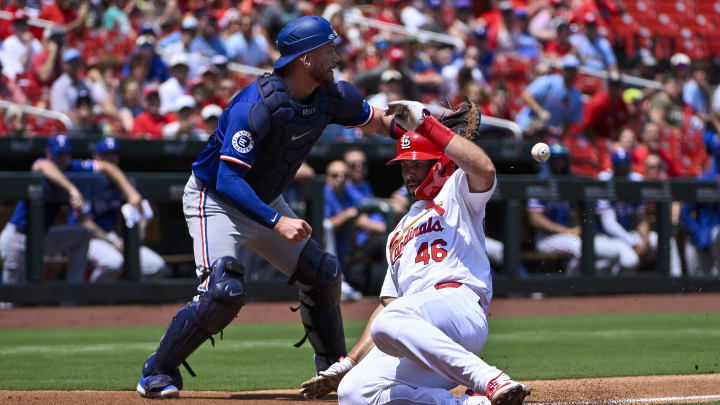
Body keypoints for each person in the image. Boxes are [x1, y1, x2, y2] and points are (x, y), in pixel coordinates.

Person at [136, 15, 393, 399]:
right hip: (216, 199)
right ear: (305, 59)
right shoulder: (255, 104)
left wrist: (431, 127)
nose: (337, 56)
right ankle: (157, 372)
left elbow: (383, 125)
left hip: (264, 198)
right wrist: (276, 222)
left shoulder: (332, 95)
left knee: (322, 274)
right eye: (329, 49)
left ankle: (332, 370)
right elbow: (227, 180)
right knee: (223, 291)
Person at [300, 101, 530, 404]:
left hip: (459, 309)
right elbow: (387, 306)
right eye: (405, 165)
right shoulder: (398, 232)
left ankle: (489, 379)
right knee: (353, 392)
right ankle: (470, 402)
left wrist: (424, 124)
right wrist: (349, 363)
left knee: (393, 320)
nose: (409, 172)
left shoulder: (457, 191)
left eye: (417, 164)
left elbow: (484, 168)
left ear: (439, 163)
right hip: (418, 333)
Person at [527, 143, 635, 275]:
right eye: (555, 160)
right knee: (581, 248)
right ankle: (570, 284)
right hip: (546, 238)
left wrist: (576, 228)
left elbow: (574, 215)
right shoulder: (540, 182)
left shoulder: (568, 183)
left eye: (562, 159)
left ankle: (574, 281)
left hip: (567, 236)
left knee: (598, 249)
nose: (559, 163)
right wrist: (567, 230)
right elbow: (536, 219)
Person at [69, 138, 167, 282]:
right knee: (113, 263)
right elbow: (85, 223)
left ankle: (132, 302)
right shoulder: (85, 181)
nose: (112, 159)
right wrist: (112, 242)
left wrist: (135, 237)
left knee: (157, 266)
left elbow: (143, 214)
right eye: (107, 154)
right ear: (96, 157)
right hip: (86, 237)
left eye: (115, 154)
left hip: (111, 237)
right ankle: (90, 300)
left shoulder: (122, 182)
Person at [0, 135, 91, 285]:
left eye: (66, 154)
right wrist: (72, 190)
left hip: (41, 237)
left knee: (82, 234)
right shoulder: (43, 165)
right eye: (58, 154)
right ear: (48, 153)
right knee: (12, 297)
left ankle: (73, 297)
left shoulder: (72, 168)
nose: (63, 158)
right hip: (18, 237)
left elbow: (104, 166)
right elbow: (42, 165)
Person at [596, 150, 682, 277]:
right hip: (606, 238)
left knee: (666, 241)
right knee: (630, 260)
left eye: (625, 167)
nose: (622, 170)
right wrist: (634, 243)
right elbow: (609, 225)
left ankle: (676, 280)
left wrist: (645, 241)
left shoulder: (635, 181)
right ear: (613, 167)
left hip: (628, 235)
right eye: (619, 167)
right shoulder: (604, 180)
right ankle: (610, 288)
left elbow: (641, 217)